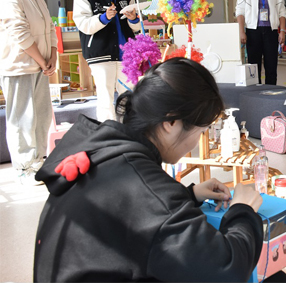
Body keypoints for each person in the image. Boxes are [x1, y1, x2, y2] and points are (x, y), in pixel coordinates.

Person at [33, 58, 264, 282]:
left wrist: (188, 195)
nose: (197, 142)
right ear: (171, 122)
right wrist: (243, 211)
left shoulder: (105, 151)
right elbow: (227, 271)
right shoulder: (142, 186)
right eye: (200, 132)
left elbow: (131, 210)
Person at [0, 0, 58, 185]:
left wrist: (53, 55)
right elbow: (19, 32)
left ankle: (38, 161)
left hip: (40, 66)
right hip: (19, 66)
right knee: (22, 118)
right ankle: (24, 167)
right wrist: (42, 60)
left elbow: (50, 28)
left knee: (41, 117)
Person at [73, 0, 141, 121]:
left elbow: (137, 28)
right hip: (101, 54)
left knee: (130, 96)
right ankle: (108, 133)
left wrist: (133, 19)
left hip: (126, 54)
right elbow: (84, 25)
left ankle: (129, 130)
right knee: (105, 98)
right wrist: (104, 18)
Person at [235, 0, 286, 85]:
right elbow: (240, 11)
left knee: (271, 64)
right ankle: (255, 91)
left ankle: (271, 90)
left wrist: (283, 31)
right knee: (254, 65)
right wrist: (241, 31)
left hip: (271, 31)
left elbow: (282, 12)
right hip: (253, 31)